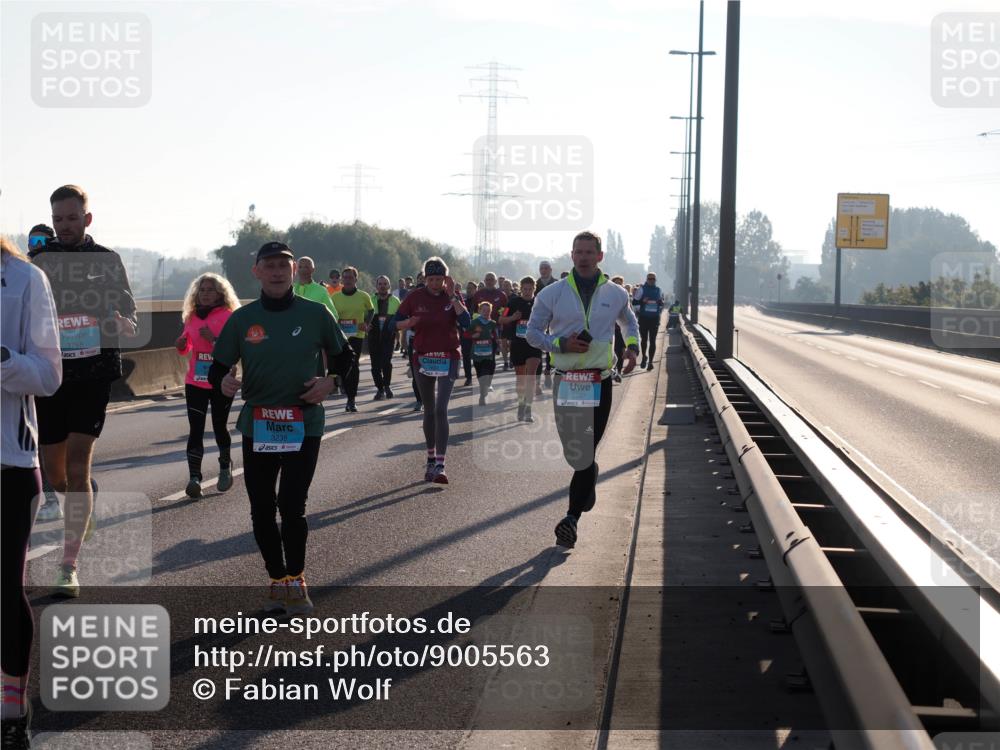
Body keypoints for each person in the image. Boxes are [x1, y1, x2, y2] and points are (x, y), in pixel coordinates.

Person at [208, 241, 353, 615]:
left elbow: (346, 358)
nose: (276, 272)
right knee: (261, 506)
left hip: (304, 423)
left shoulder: (317, 313)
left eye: (283, 266)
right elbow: (217, 368)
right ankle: (277, 577)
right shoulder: (242, 319)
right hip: (259, 425)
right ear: (256, 272)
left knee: (292, 505)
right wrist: (223, 381)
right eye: (269, 265)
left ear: (293, 272)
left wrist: (331, 383)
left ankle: (296, 578)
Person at [32, 185, 139, 598]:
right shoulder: (39, 262)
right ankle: (83, 497)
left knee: (78, 467)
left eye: (72, 218)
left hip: (93, 374)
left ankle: (68, 566)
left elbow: (127, 306)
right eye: (58, 219)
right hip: (51, 377)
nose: (65, 226)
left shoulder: (106, 260)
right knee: (55, 475)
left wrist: (123, 320)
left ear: (87, 219)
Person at [526, 231, 639, 549]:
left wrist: (632, 348)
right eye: (579, 251)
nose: (585, 256)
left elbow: (629, 324)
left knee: (585, 453)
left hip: (600, 380)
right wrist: (559, 343)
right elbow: (532, 333)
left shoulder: (616, 293)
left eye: (590, 251)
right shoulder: (552, 294)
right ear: (572, 255)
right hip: (567, 380)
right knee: (577, 453)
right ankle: (588, 475)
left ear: (600, 256)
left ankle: (571, 518)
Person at [1, 237, 61, 748]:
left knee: (3, 590)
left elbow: (48, 375)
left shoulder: (23, 278)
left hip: (8, 462)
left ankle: (12, 713)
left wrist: (3, 359)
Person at [394, 257, 470, 484]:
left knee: (441, 409)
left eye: (439, 279)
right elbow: (393, 322)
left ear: (446, 278)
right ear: (425, 279)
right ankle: (429, 458)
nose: (435, 284)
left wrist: (454, 296)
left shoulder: (452, 296)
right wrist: (406, 324)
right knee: (428, 409)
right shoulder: (415, 297)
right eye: (431, 279)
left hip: (449, 357)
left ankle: (440, 464)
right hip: (423, 358)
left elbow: (466, 322)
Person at [174, 273, 240, 498]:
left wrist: (213, 340)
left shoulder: (228, 316)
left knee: (219, 425)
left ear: (220, 293)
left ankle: (224, 465)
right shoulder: (191, 316)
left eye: (210, 290)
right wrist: (181, 344)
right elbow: (187, 346)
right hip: (195, 381)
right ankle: (194, 477)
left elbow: (234, 350)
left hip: (220, 379)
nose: (205, 294)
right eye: (202, 290)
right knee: (196, 428)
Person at [25, 225, 63, 523]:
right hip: (26, 365)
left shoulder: (62, 271)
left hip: (57, 366)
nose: (36, 245)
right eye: (31, 241)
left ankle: (63, 492)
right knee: (32, 438)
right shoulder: (20, 272)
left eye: (41, 240)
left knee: (50, 440)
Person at [330, 266, 374, 413]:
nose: (347, 280)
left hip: (357, 335)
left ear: (356, 279)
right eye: (345, 277)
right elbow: (330, 314)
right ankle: (342, 383)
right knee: (341, 365)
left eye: (350, 277)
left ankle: (351, 399)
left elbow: (371, 310)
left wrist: (367, 323)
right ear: (342, 279)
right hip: (340, 335)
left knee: (353, 366)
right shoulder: (335, 297)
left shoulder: (363, 296)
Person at [499, 277, 542, 422]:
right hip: (518, 343)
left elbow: (549, 318)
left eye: (530, 289)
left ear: (534, 289)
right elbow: (501, 319)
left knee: (530, 376)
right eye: (525, 289)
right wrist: (513, 317)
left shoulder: (539, 302)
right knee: (521, 378)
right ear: (521, 289)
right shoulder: (513, 302)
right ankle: (521, 404)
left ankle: (528, 409)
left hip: (534, 344)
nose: (528, 292)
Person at [367, 275, 400, 400]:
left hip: (388, 337)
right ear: (376, 286)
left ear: (389, 286)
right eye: (380, 284)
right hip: (373, 337)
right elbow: (363, 316)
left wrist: (398, 333)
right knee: (375, 366)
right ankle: (380, 389)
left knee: (386, 363)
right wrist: (366, 324)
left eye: (385, 284)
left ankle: (387, 386)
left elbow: (400, 318)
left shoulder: (395, 301)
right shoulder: (370, 300)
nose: (382, 286)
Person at [471, 273, 508, 368]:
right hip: (480, 327)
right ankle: (481, 367)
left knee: (493, 349)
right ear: (484, 281)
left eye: (491, 279)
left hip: (495, 326)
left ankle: (490, 368)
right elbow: (473, 310)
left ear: (495, 281)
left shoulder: (501, 295)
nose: (489, 281)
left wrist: (501, 318)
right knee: (480, 349)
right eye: (487, 279)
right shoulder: (478, 294)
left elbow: (506, 310)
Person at [466, 302, 498, 406]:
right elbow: (466, 334)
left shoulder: (492, 323)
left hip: (489, 353)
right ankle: (482, 396)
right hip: (477, 354)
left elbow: (495, 335)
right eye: (484, 310)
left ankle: (487, 386)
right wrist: (473, 335)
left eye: (488, 311)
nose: (486, 312)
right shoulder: (474, 322)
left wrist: (498, 341)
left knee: (490, 372)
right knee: (481, 374)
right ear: (479, 311)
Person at [535, 261, 557, 391]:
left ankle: (548, 370)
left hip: (553, 319)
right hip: (538, 319)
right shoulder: (535, 284)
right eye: (541, 268)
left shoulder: (556, 283)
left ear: (550, 269)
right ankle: (537, 380)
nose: (543, 270)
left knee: (550, 347)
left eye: (545, 268)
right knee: (537, 348)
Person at [635, 272, 664, 370]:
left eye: (653, 279)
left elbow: (661, 303)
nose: (651, 281)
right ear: (646, 279)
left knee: (653, 340)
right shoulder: (642, 289)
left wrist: (661, 303)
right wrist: (642, 302)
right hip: (643, 318)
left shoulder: (658, 290)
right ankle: (644, 357)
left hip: (654, 318)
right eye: (650, 279)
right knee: (644, 340)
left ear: (655, 280)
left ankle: (650, 362)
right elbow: (634, 302)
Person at [610, 275, 627, 383]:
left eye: (620, 283)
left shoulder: (625, 296)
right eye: (616, 283)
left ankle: (618, 372)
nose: (618, 285)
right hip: (611, 330)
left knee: (621, 352)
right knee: (613, 352)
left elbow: (630, 317)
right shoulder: (607, 296)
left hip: (621, 330)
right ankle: (612, 371)